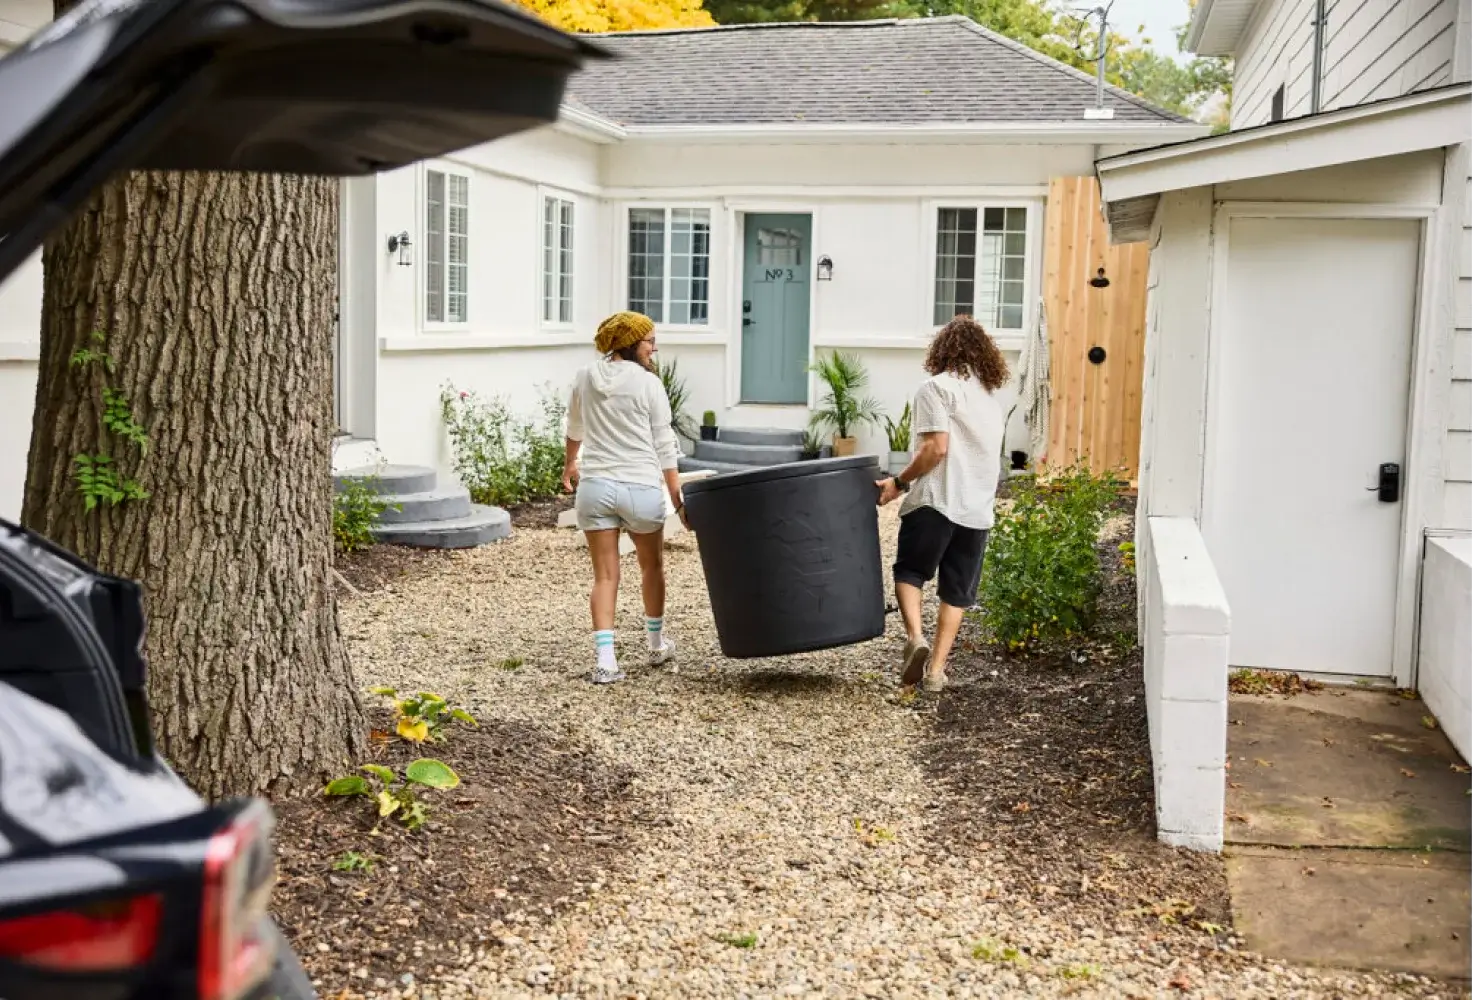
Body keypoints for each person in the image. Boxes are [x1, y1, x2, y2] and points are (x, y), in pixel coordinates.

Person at [875, 315, 1009, 692]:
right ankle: (935, 671)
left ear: (942, 350)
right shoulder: (990, 402)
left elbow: (936, 449)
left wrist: (899, 482)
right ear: (984, 356)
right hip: (976, 511)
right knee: (956, 592)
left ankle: (915, 638)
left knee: (910, 572)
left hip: (937, 502)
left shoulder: (935, 389)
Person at [562, 311, 683, 684]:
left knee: (605, 576)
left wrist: (570, 465)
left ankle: (606, 661)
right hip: (640, 487)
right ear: (630, 343)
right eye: (649, 341)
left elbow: (574, 427)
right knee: (652, 567)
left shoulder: (585, 376)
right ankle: (656, 644)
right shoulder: (649, 384)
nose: (655, 348)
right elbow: (664, 444)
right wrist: (677, 498)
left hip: (595, 489)